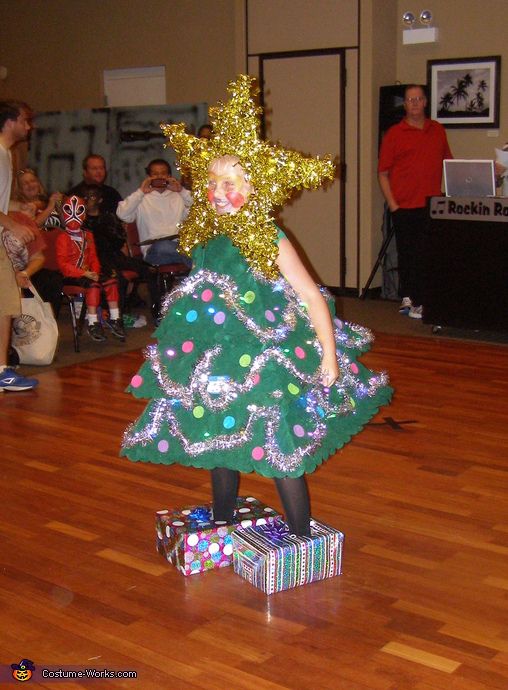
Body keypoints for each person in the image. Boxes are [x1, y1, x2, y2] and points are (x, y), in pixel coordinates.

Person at [121, 76, 392, 538]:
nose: (218, 191)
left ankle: (303, 540)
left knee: (278, 443)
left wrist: (328, 354)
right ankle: (222, 526)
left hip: (267, 351)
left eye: (231, 183)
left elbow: (309, 295)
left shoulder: (269, 236)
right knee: (218, 438)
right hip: (215, 353)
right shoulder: (205, 234)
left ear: (254, 186)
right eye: (212, 182)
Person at [378, 84, 452, 320]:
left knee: (428, 255)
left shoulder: (438, 130)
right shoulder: (394, 134)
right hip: (404, 206)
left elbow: (448, 164)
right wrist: (393, 204)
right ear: (405, 104)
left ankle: (425, 300)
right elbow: (382, 173)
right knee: (408, 255)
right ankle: (409, 299)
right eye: (410, 100)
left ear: (426, 102)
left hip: (432, 205)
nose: (415, 103)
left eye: (419, 99)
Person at [116, 159, 192, 319]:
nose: (159, 176)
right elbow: (122, 214)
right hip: (154, 249)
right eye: (155, 174)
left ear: (170, 176)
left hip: (179, 245)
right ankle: (196, 266)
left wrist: (182, 191)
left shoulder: (178, 196)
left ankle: (193, 268)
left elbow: (198, 210)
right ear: (149, 177)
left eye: (163, 173)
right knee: (166, 247)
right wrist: (141, 192)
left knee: (194, 247)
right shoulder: (142, 198)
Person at [0, 100, 38, 392]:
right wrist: (11, 223)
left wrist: (16, 206)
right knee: (5, 302)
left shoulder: (6, 155)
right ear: (10, 121)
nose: (28, 126)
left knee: (5, 302)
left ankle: (2, 369)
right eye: (25, 120)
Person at [56, 194, 125, 343]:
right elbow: (63, 264)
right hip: (72, 276)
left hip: (89, 273)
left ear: (84, 214)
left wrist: (95, 271)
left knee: (111, 281)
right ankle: (93, 321)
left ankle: (115, 317)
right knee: (93, 286)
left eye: (79, 211)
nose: (74, 216)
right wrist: (85, 273)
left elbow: (93, 257)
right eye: (70, 210)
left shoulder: (88, 235)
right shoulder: (63, 238)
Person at [83, 185, 152, 312]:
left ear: (100, 200)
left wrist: (119, 236)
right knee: (118, 278)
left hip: (113, 255)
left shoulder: (108, 218)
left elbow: (119, 240)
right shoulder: (82, 220)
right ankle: (115, 314)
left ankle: (156, 309)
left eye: (92, 197)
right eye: (85, 197)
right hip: (94, 258)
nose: (88, 200)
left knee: (148, 269)